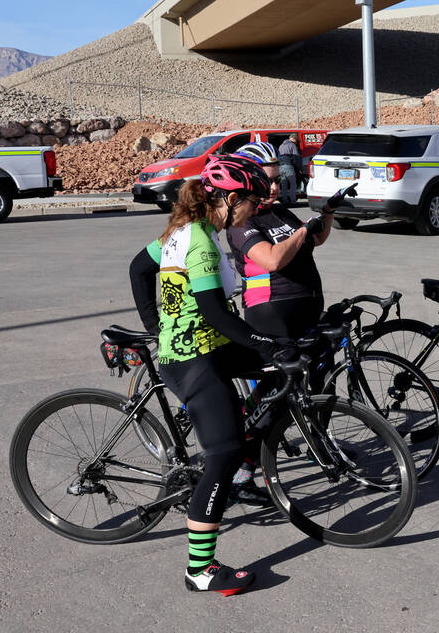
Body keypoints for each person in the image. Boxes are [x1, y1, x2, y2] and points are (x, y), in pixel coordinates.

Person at [127, 156, 291, 595]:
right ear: (232, 198)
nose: (257, 208)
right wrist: (261, 342)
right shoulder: (197, 241)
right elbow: (215, 312)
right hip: (191, 358)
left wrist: (154, 322)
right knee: (223, 454)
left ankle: (248, 457)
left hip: (209, 345)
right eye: (253, 201)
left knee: (282, 371)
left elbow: (139, 268)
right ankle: (199, 570)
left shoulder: (184, 232)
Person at [225, 141, 332, 339]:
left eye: (277, 179)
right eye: (267, 180)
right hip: (272, 309)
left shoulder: (279, 211)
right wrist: (302, 232)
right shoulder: (241, 221)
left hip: (308, 302)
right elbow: (272, 260)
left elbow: (316, 238)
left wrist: (329, 211)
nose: (274, 188)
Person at [278, 134, 302, 205]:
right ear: (294, 139)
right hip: (288, 166)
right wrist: (299, 168)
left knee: (284, 184)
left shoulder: (281, 146)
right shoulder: (292, 145)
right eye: (296, 141)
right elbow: (296, 157)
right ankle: (292, 200)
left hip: (280, 167)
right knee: (293, 184)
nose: (296, 143)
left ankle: (284, 200)